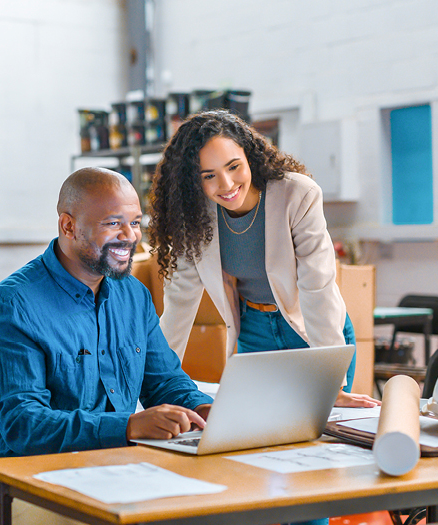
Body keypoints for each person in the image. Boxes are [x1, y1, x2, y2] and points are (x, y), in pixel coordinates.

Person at [0, 167, 212, 525]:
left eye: (135, 223)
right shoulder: (13, 306)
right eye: (112, 223)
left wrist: (206, 410)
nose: (129, 236)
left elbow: (165, 381)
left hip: (114, 471)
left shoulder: (133, 296)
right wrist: (128, 427)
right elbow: (23, 424)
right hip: (17, 482)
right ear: (68, 226)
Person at [148, 109, 379, 409]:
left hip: (312, 331)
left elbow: (317, 287)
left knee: (319, 435)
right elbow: (180, 301)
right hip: (254, 334)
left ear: (249, 155)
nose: (227, 184)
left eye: (234, 167)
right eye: (209, 176)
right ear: (193, 182)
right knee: (255, 433)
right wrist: (157, 385)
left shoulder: (296, 194)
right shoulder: (195, 216)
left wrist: (330, 382)